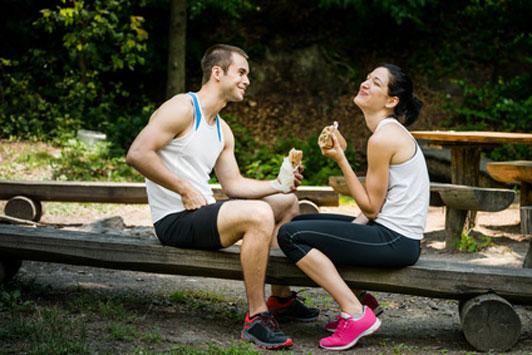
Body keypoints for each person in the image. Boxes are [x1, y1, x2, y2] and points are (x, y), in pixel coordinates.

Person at [126, 44, 318, 350]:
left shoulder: (221, 130)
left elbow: (234, 185)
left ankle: (281, 297)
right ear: (217, 73)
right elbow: (136, 154)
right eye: (241, 72)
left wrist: (278, 184)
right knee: (258, 215)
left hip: (202, 213)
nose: (247, 81)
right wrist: (183, 188)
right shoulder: (182, 108)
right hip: (174, 221)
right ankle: (256, 317)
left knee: (287, 204)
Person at [277, 63, 430, 351]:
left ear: (391, 100)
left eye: (376, 81)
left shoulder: (383, 138)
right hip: (390, 232)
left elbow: (372, 207)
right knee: (297, 225)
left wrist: (341, 159)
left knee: (290, 236)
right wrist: (349, 231)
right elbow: (381, 203)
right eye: (367, 77)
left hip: (397, 240)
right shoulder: (388, 132)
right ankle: (362, 298)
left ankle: (356, 313)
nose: (365, 83)